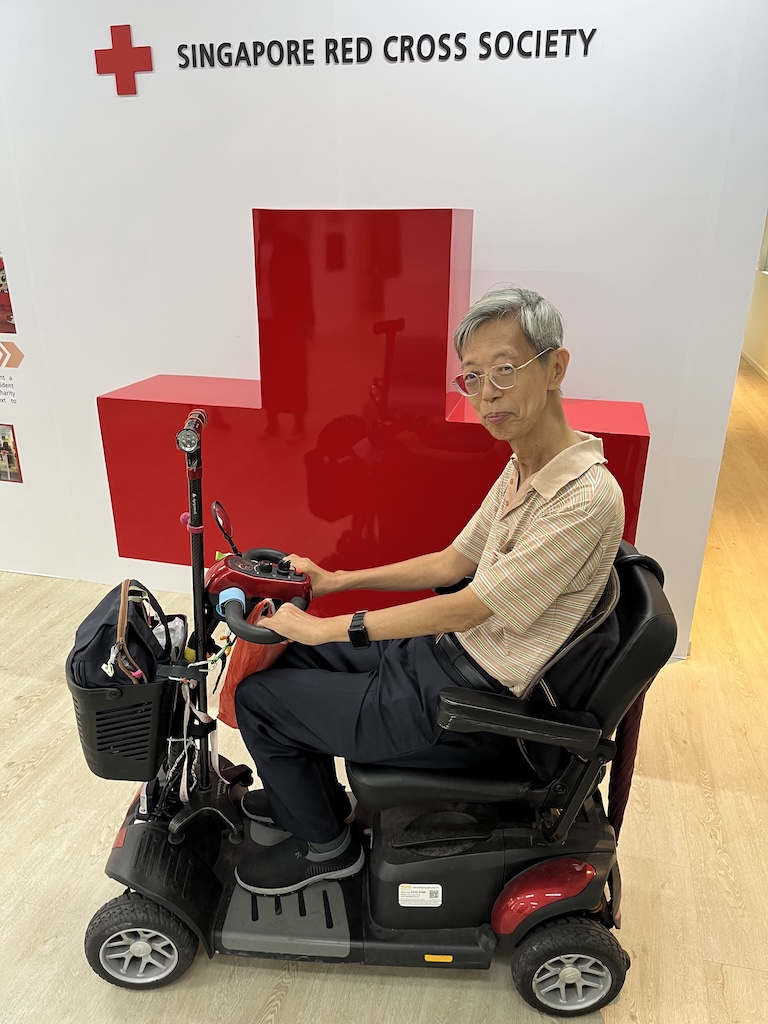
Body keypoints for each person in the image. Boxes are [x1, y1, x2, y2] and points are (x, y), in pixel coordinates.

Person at [234, 286, 625, 896]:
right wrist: (339, 581)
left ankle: (326, 848)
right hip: (442, 656)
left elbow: (473, 602)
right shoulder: (524, 468)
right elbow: (452, 563)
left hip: (464, 703)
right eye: (472, 377)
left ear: (555, 367)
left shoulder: (585, 498)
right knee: (295, 656)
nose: (487, 393)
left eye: (504, 370)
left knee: (261, 700)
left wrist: (332, 624)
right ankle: (310, 803)